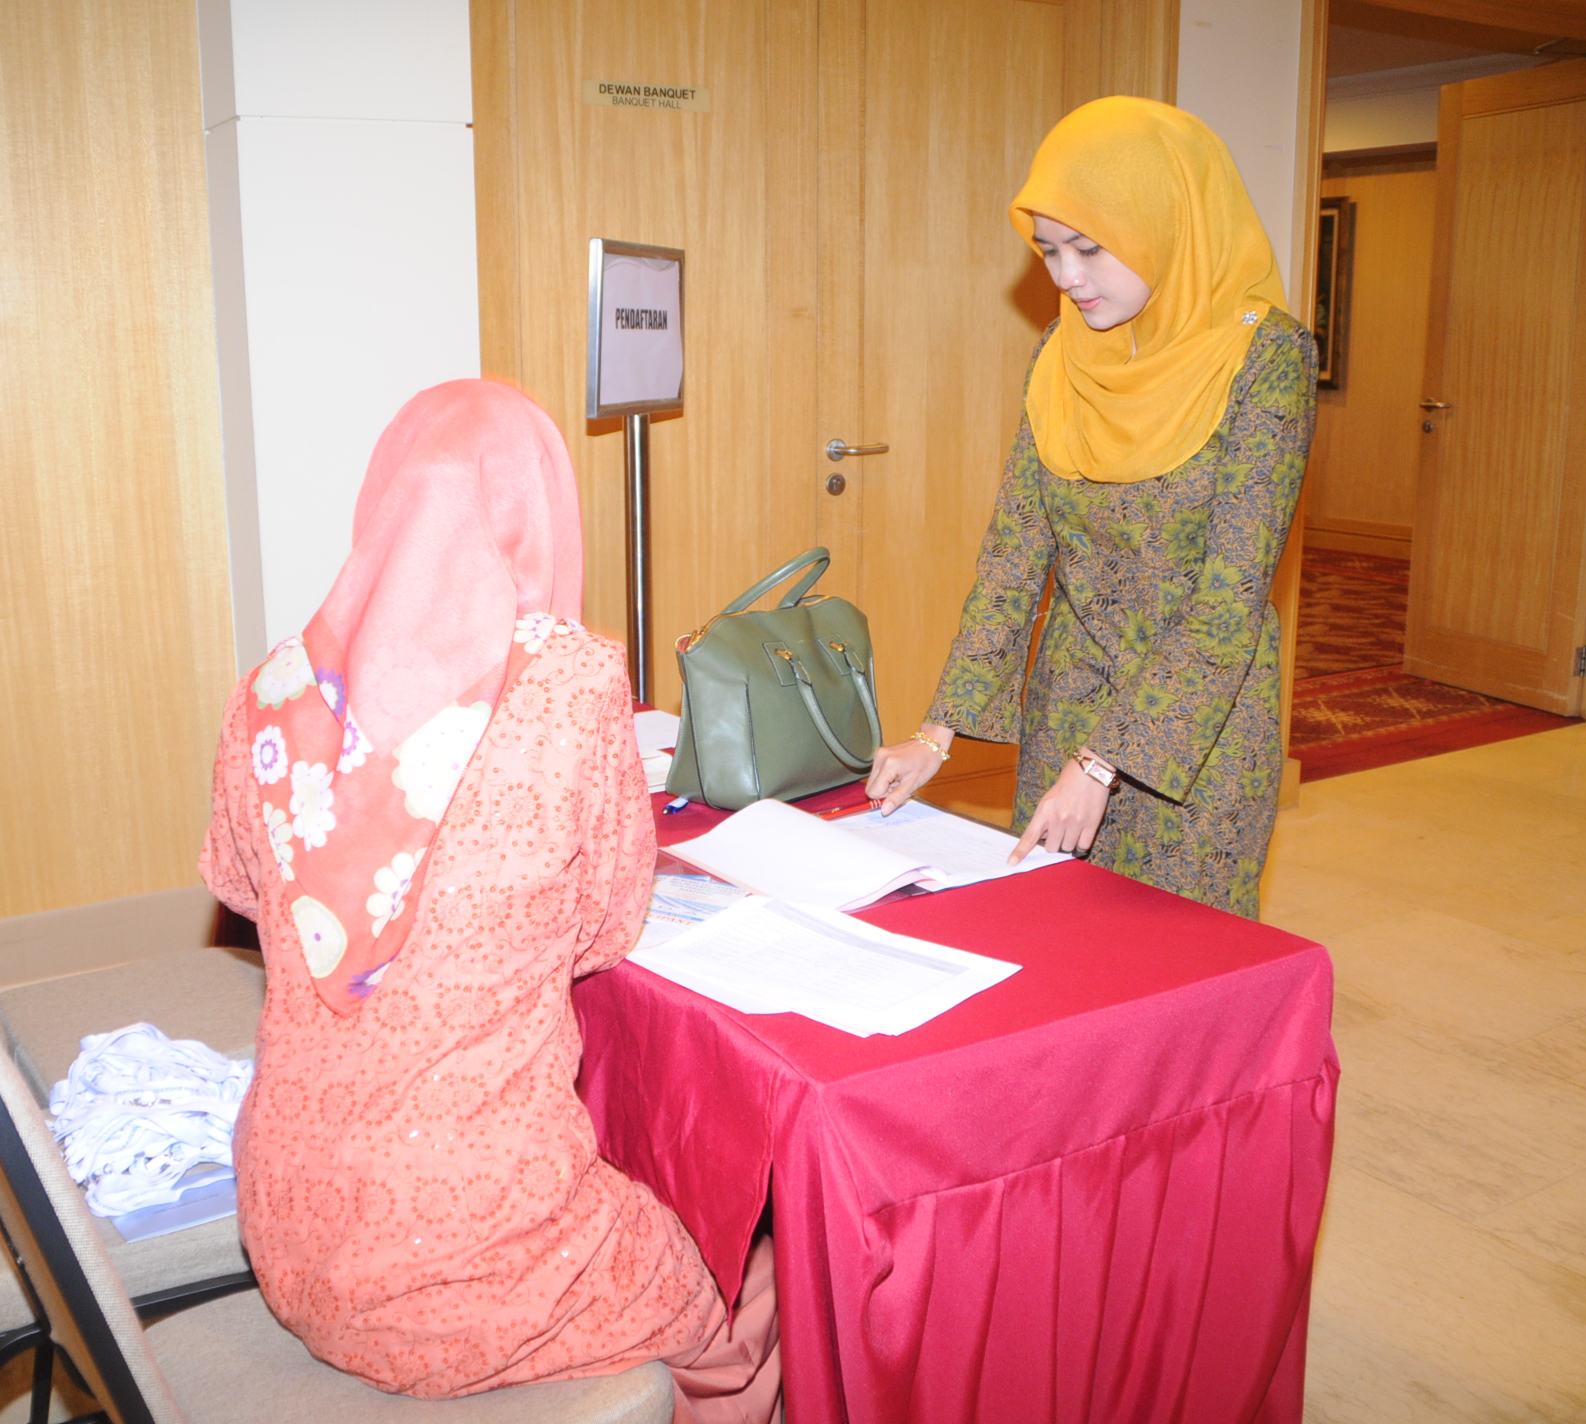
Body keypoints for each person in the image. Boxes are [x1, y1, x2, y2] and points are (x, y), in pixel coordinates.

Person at [200, 379, 780, 1421]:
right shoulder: (571, 684)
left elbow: (246, 890)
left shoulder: (266, 694)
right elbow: (608, 923)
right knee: (743, 1298)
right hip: (493, 1253)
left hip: (289, 1234)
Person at [865, 97, 1317, 919]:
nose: (1066, 277)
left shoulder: (1265, 358)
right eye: (1049, 251)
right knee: (1058, 934)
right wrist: (937, 733)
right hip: (1068, 706)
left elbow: (1230, 599)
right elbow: (1012, 560)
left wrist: (1105, 761)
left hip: (1198, 730)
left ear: (1167, 228)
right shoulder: (1061, 353)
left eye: (1089, 248)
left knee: (1178, 950)